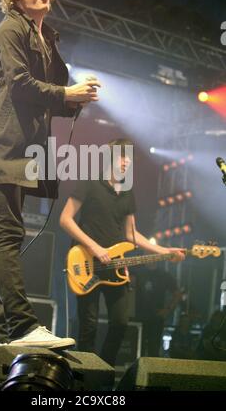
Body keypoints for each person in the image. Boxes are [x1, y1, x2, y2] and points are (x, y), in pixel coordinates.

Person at [0, 0, 100, 353]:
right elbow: (21, 86)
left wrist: (73, 100)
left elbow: (42, 98)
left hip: (19, 148)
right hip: (0, 146)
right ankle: (22, 326)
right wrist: (66, 93)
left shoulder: (45, 38)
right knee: (7, 235)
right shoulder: (10, 28)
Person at [59, 138, 184, 366]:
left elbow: (132, 235)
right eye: (121, 156)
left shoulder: (127, 192)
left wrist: (165, 250)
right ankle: (85, 376)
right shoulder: (90, 183)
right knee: (89, 326)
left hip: (115, 265)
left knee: (121, 322)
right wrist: (94, 247)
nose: (126, 161)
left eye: (128, 157)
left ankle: (104, 370)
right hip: (87, 262)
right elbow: (65, 219)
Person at [134, 262, 181, 357]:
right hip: (138, 318)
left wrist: (167, 310)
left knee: (153, 349)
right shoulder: (138, 272)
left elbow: (177, 294)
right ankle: (136, 370)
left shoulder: (164, 275)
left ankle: (150, 371)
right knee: (136, 349)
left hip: (156, 317)